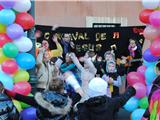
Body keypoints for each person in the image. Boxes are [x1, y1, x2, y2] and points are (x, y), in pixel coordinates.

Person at [5, 78, 73, 120]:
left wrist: (4, 90)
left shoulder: (40, 99)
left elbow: (21, 97)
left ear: (49, 86)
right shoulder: (67, 101)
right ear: (62, 88)